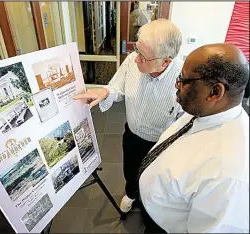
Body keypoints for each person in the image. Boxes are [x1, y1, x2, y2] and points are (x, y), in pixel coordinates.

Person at [73, 19, 183, 213]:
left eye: (143, 57)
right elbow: (117, 88)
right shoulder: (133, 60)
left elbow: (185, 121)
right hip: (132, 133)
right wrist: (105, 92)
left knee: (155, 179)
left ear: (166, 61)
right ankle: (131, 194)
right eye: (137, 50)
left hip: (161, 143)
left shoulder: (182, 79)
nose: (136, 58)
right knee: (130, 170)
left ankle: (151, 204)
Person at [138, 43, 249, 233]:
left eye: (183, 80)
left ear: (215, 92)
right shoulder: (204, 111)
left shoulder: (227, 174)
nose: (176, 84)